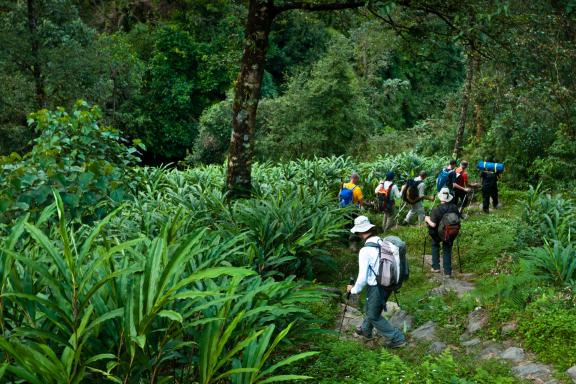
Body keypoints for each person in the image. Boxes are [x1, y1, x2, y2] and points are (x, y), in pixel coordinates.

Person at [346, 215, 406, 348]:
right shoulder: (381, 241)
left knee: (373, 315)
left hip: (377, 286)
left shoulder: (365, 251)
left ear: (359, 232)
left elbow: (362, 278)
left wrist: (354, 290)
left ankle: (397, 339)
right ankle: (365, 330)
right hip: (388, 283)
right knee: (371, 308)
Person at [424, 187, 460, 277]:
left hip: (437, 234)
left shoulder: (437, 209)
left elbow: (433, 225)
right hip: (450, 233)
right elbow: (458, 220)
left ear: (440, 198)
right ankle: (448, 271)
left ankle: (436, 267)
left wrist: (427, 219)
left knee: (435, 244)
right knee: (447, 249)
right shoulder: (454, 207)